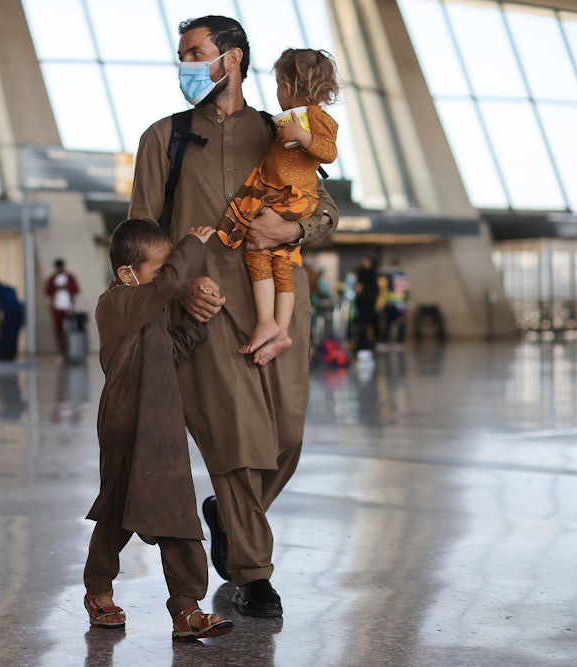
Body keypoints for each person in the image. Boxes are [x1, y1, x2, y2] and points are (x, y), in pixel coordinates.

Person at [128, 15, 339, 618]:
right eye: (181, 55)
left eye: (195, 53)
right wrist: (179, 289)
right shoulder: (162, 138)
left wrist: (292, 226)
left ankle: (226, 514)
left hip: (276, 306)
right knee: (239, 444)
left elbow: (326, 210)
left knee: (287, 439)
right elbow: (140, 233)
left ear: (234, 59)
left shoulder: (282, 131)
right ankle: (255, 573)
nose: (185, 66)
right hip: (203, 314)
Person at [83, 219, 234, 641]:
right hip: (127, 423)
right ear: (126, 273)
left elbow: (170, 350)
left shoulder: (147, 313)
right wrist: (192, 246)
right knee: (117, 513)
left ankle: (187, 609)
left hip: (163, 430)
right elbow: (167, 285)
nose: (169, 276)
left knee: (178, 516)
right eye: (159, 267)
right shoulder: (116, 303)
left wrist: (200, 324)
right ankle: (98, 589)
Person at [216, 48, 339, 362]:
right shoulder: (288, 121)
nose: (278, 91)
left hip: (292, 199)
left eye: (280, 83)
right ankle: (278, 329)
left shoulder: (312, 118)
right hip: (284, 197)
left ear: (291, 86)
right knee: (281, 263)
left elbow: (328, 151)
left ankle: (268, 323)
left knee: (258, 253)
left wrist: (301, 135)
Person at [44, 259, 79, 354]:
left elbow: (76, 289)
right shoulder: (52, 278)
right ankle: (61, 350)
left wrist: (67, 288)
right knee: (58, 329)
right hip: (57, 307)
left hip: (68, 307)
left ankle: (71, 348)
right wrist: (56, 289)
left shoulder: (70, 277)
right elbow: (47, 291)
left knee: (70, 328)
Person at [353, 255, 379, 362]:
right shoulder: (363, 275)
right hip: (362, 305)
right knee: (361, 326)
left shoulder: (370, 276)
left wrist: (362, 292)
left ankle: (364, 347)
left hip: (368, 305)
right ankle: (361, 347)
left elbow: (373, 292)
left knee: (363, 326)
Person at [383, 262, 410, 348]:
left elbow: (406, 290)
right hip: (390, 303)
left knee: (400, 322)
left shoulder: (402, 276)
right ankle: (386, 341)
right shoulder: (389, 276)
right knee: (388, 323)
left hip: (399, 304)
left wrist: (406, 301)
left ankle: (400, 341)